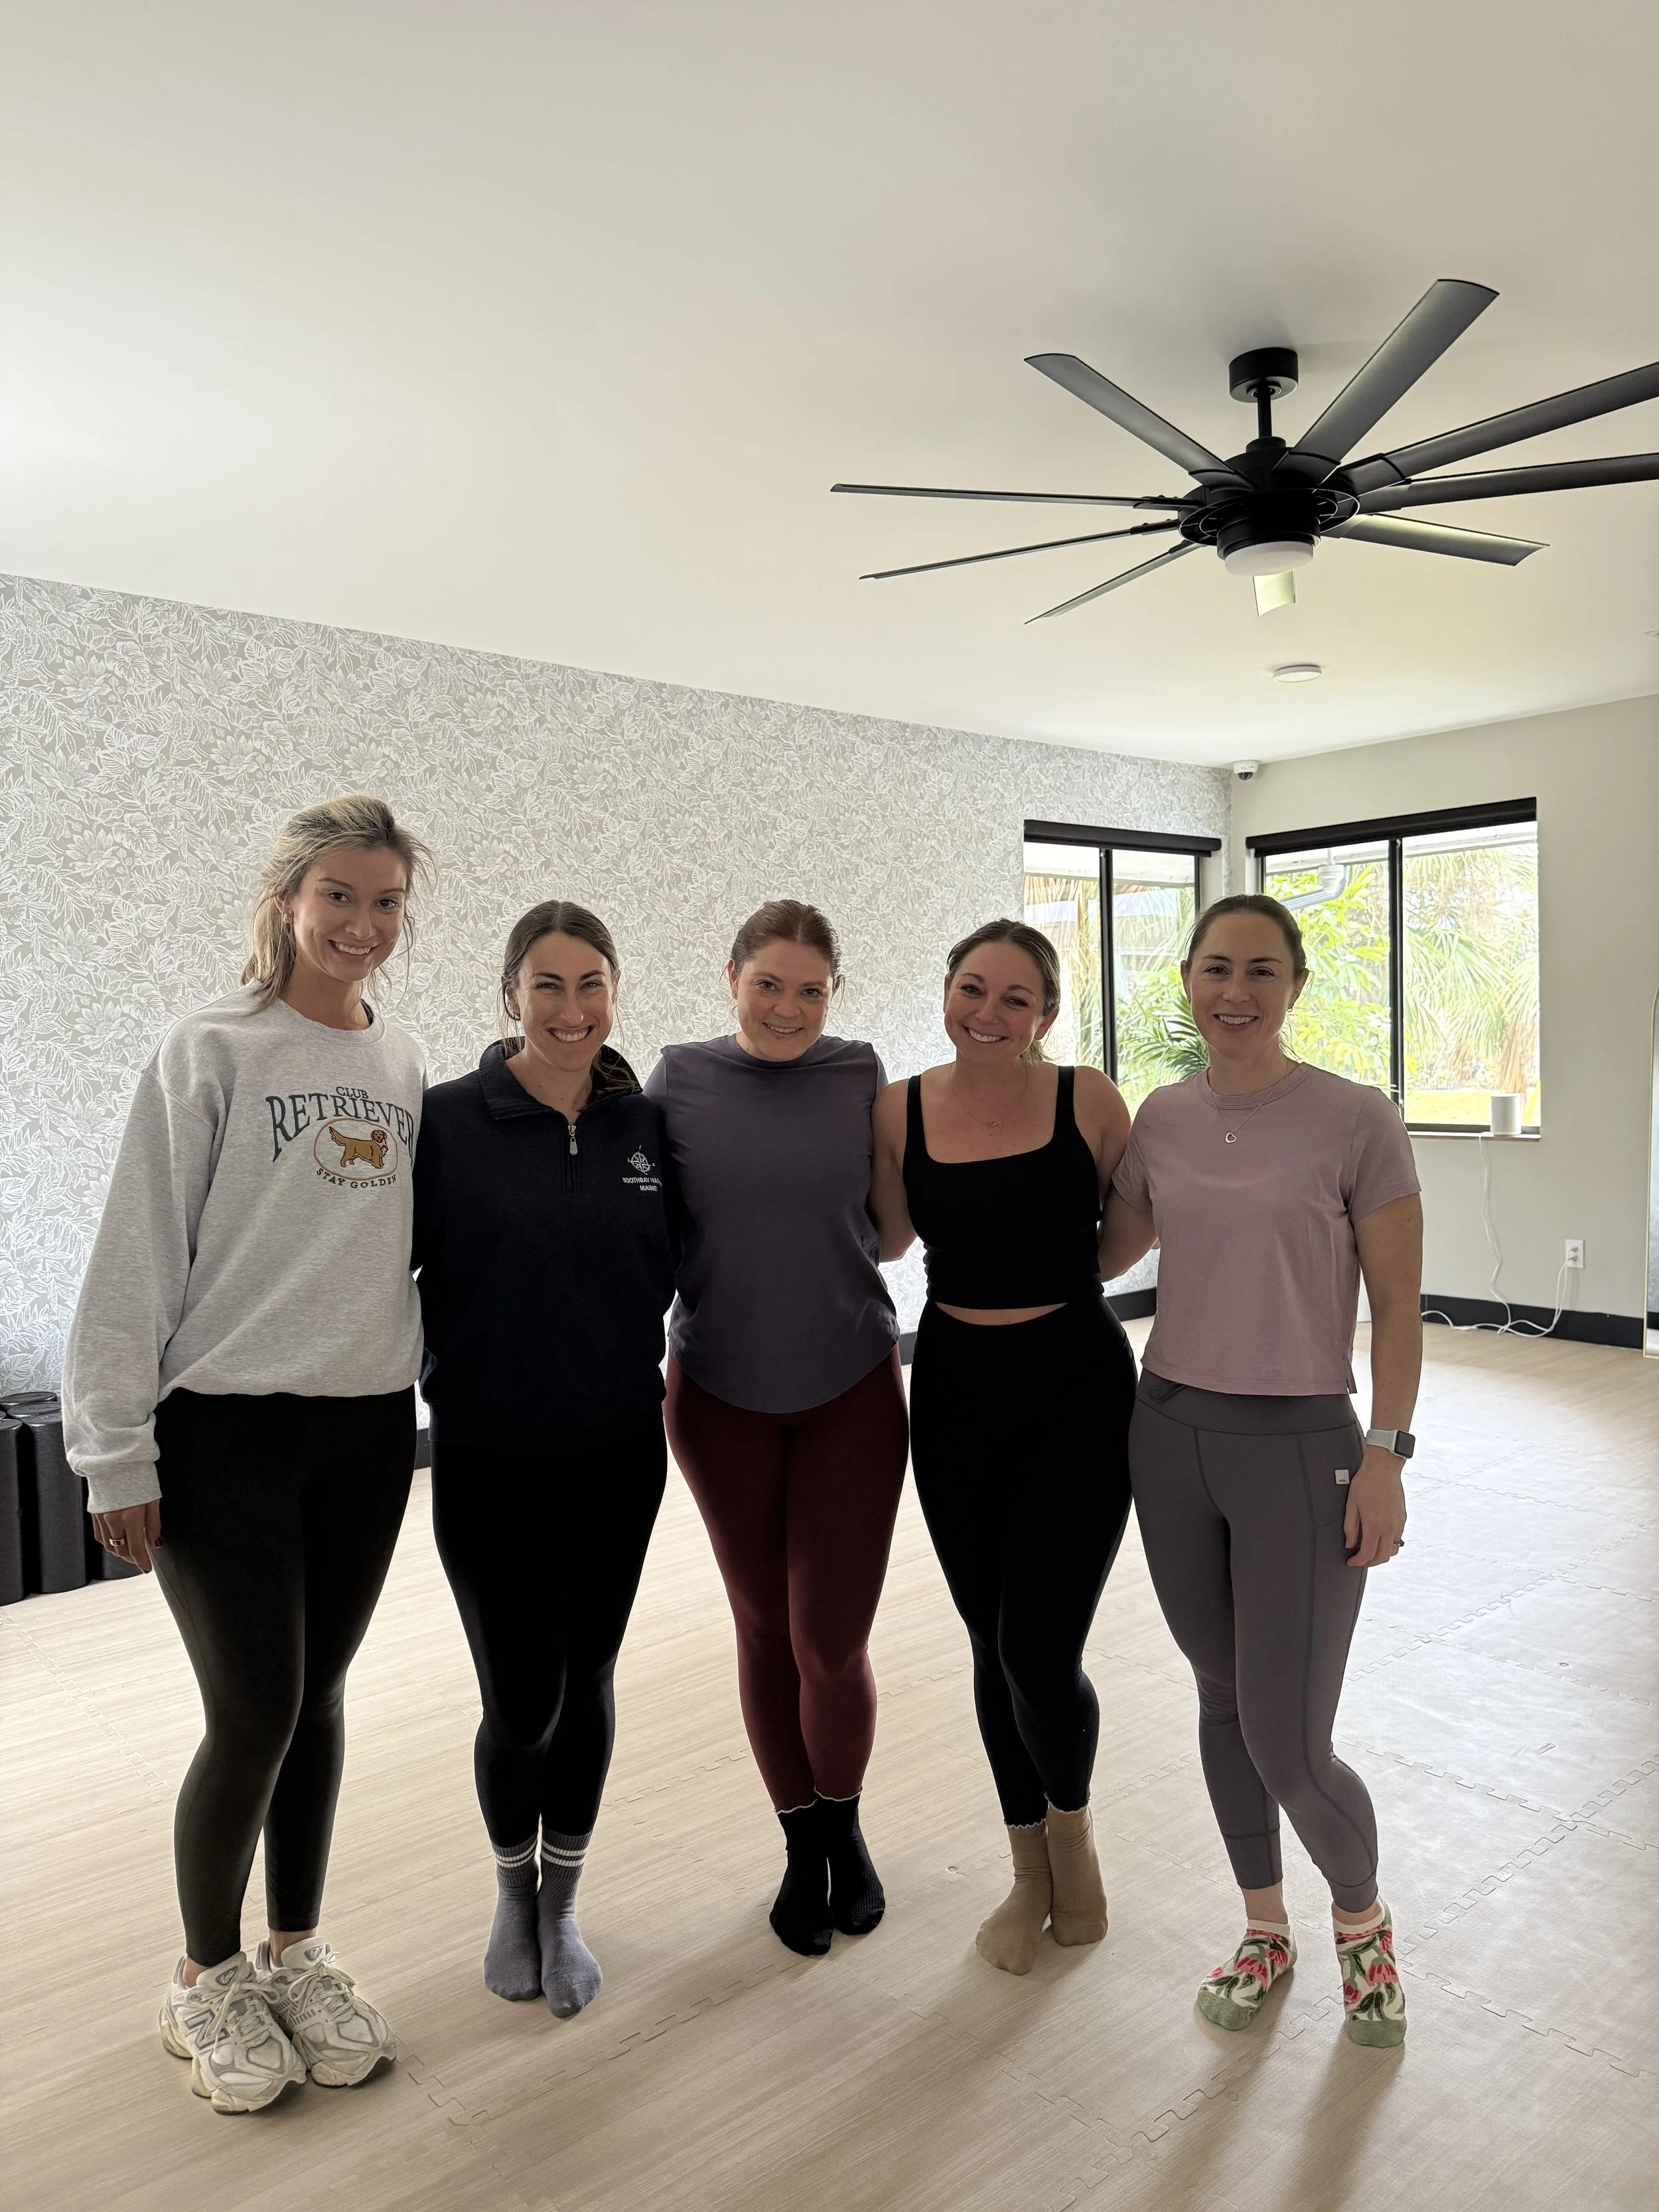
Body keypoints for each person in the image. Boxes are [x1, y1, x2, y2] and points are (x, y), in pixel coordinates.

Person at [63, 795, 431, 2114]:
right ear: (287, 899)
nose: (362, 925)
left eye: (386, 901)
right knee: (254, 1710)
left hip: (369, 1424)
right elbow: (136, 1251)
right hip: (223, 1429)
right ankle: (202, 1974)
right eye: (339, 896)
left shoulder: (399, 1060)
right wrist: (114, 1453)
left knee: (318, 1698)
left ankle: (295, 1950)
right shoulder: (210, 1047)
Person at [1099, 893, 1421, 2049]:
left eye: (1262, 971)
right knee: (1223, 1702)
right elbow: (1107, 1246)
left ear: (1293, 988)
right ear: (1186, 978)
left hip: (1303, 1447)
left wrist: (1385, 1452)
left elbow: (1395, 1306)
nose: (1236, 992)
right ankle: (1262, 1929)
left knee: (1291, 1736)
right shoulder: (1163, 1117)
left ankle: (1363, 1929)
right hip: (1170, 1432)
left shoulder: (1355, 1117)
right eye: (1216, 968)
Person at [413, 901, 676, 2020]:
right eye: (548, 985)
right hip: (489, 1454)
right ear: (508, 994)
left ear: (616, 993)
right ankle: (510, 1890)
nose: (572, 1010)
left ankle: (560, 1902)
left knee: (593, 1677)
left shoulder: (650, 1131)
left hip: (621, 1449)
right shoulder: (445, 1122)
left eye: (591, 985)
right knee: (521, 1698)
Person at [869, 918, 1137, 1975]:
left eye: (1013, 999)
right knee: (989, 1643)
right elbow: (888, 1237)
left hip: (1077, 1386)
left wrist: (1057, 1283)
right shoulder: (898, 1108)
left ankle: (1072, 1842)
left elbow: (1129, 1231)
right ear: (944, 991)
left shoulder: (1090, 1099)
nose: (987, 1013)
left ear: (1046, 1016)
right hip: (954, 1390)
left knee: (1039, 1646)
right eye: (970, 990)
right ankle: (1029, 1874)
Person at [646, 900, 908, 1956]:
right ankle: (802, 1847)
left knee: (830, 1642)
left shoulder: (861, 1077)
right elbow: (640, 1230)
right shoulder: (676, 1080)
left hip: (851, 1387)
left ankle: (847, 1832)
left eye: (810, 990)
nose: (788, 1008)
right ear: (731, 977)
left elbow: (892, 1233)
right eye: (768, 985)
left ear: (833, 995)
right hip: (717, 1399)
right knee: (764, 1629)